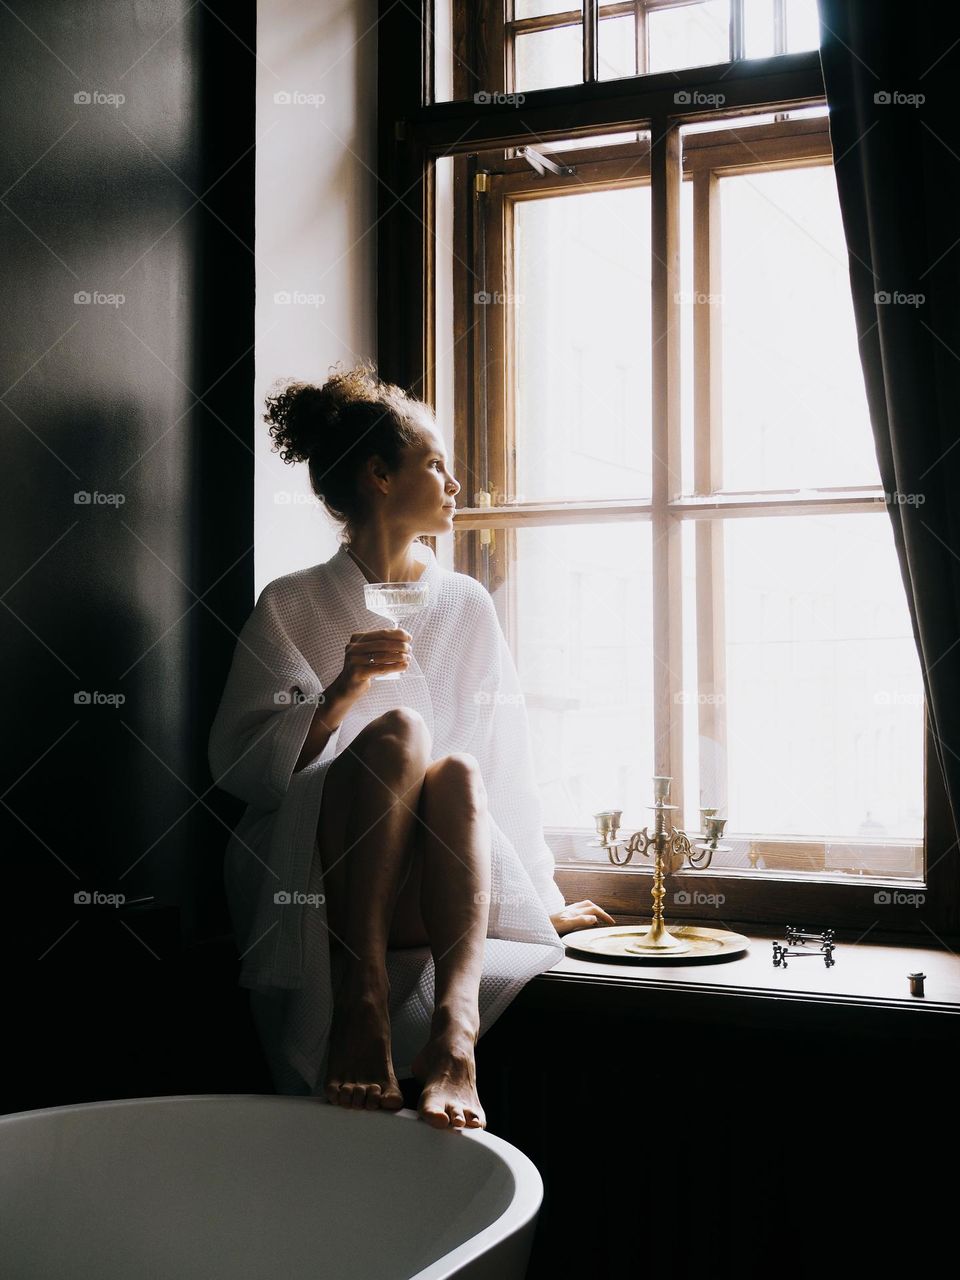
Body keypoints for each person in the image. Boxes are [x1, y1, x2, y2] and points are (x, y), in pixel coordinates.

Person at [208, 359, 615, 1131]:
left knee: (456, 767)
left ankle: (455, 1036)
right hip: (317, 883)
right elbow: (241, 769)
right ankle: (362, 999)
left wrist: (540, 899)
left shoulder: (463, 604)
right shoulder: (292, 603)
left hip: (432, 886)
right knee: (399, 733)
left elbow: (504, 768)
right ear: (378, 475)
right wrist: (338, 697)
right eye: (435, 463)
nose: (455, 484)